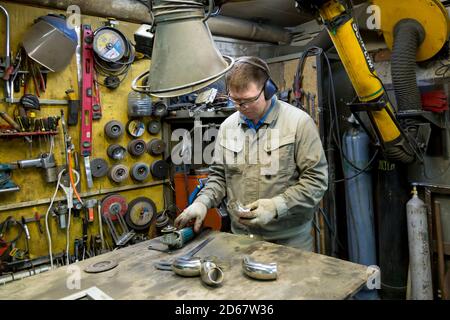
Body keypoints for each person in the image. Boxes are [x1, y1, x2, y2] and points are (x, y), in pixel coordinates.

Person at [174, 56, 328, 251]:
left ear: (268, 90)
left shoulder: (298, 123)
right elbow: (219, 177)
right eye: (235, 101)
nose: (241, 108)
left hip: (288, 242)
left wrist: (276, 206)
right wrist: (202, 203)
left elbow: (316, 181)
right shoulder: (227, 127)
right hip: (241, 239)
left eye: (248, 100)